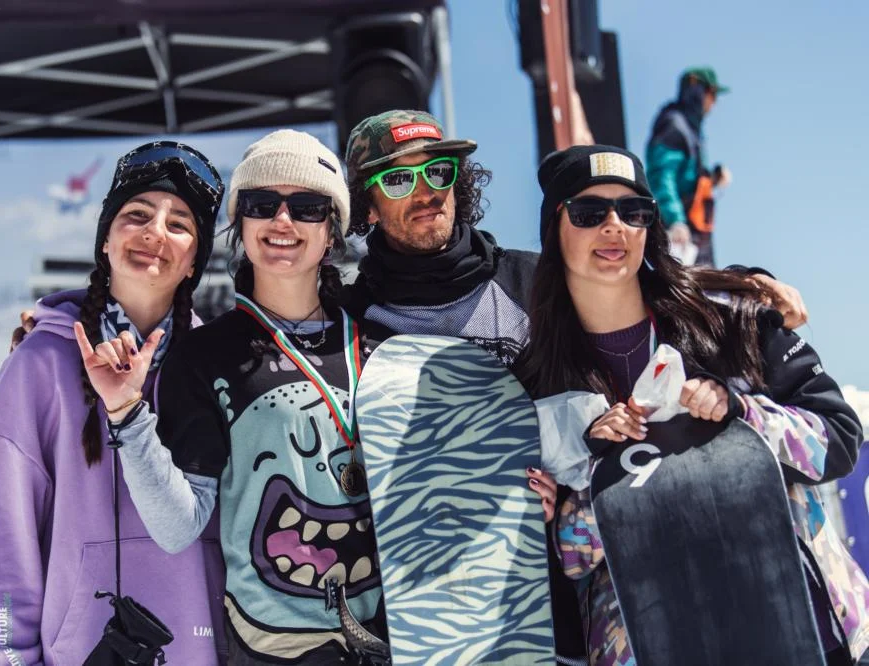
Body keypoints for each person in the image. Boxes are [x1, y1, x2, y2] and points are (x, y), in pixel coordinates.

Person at [343, 108, 810, 664]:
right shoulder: (350, 320)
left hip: (555, 596)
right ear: (367, 206)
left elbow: (640, 279)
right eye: (398, 179)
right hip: (431, 602)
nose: (425, 192)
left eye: (438, 172)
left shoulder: (533, 283)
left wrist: (750, 289)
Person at [515, 143, 867, 666]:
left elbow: (838, 441)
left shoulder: (732, 319)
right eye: (589, 213)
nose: (615, 227)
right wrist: (601, 472)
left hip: (805, 628)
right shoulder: (537, 381)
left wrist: (743, 416)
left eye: (634, 212)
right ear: (554, 228)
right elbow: (566, 557)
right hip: (657, 640)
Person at [78, 129, 389, 664]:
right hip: (272, 650)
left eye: (308, 207)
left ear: (332, 231)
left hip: (399, 639)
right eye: (262, 204)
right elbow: (178, 528)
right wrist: (127, 413)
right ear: (240, 225)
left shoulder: (383, 346)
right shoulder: (204, 355)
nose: (283, 221)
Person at [0, 141, 226, 665]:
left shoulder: (219, 366)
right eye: (137, 215)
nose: (154, 233)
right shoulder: (39, 364)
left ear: (195, 259)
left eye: (179, 224)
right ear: (105, 239)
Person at [645, 66, 731, 267]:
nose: (714, 102)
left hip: (696, 236)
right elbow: (661, 176)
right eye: (712, 94)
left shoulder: (690, 129)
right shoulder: (674, 125)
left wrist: (713, 179)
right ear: (697, 91)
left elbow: (688, 178)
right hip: (680, 236)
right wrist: (675, 220)